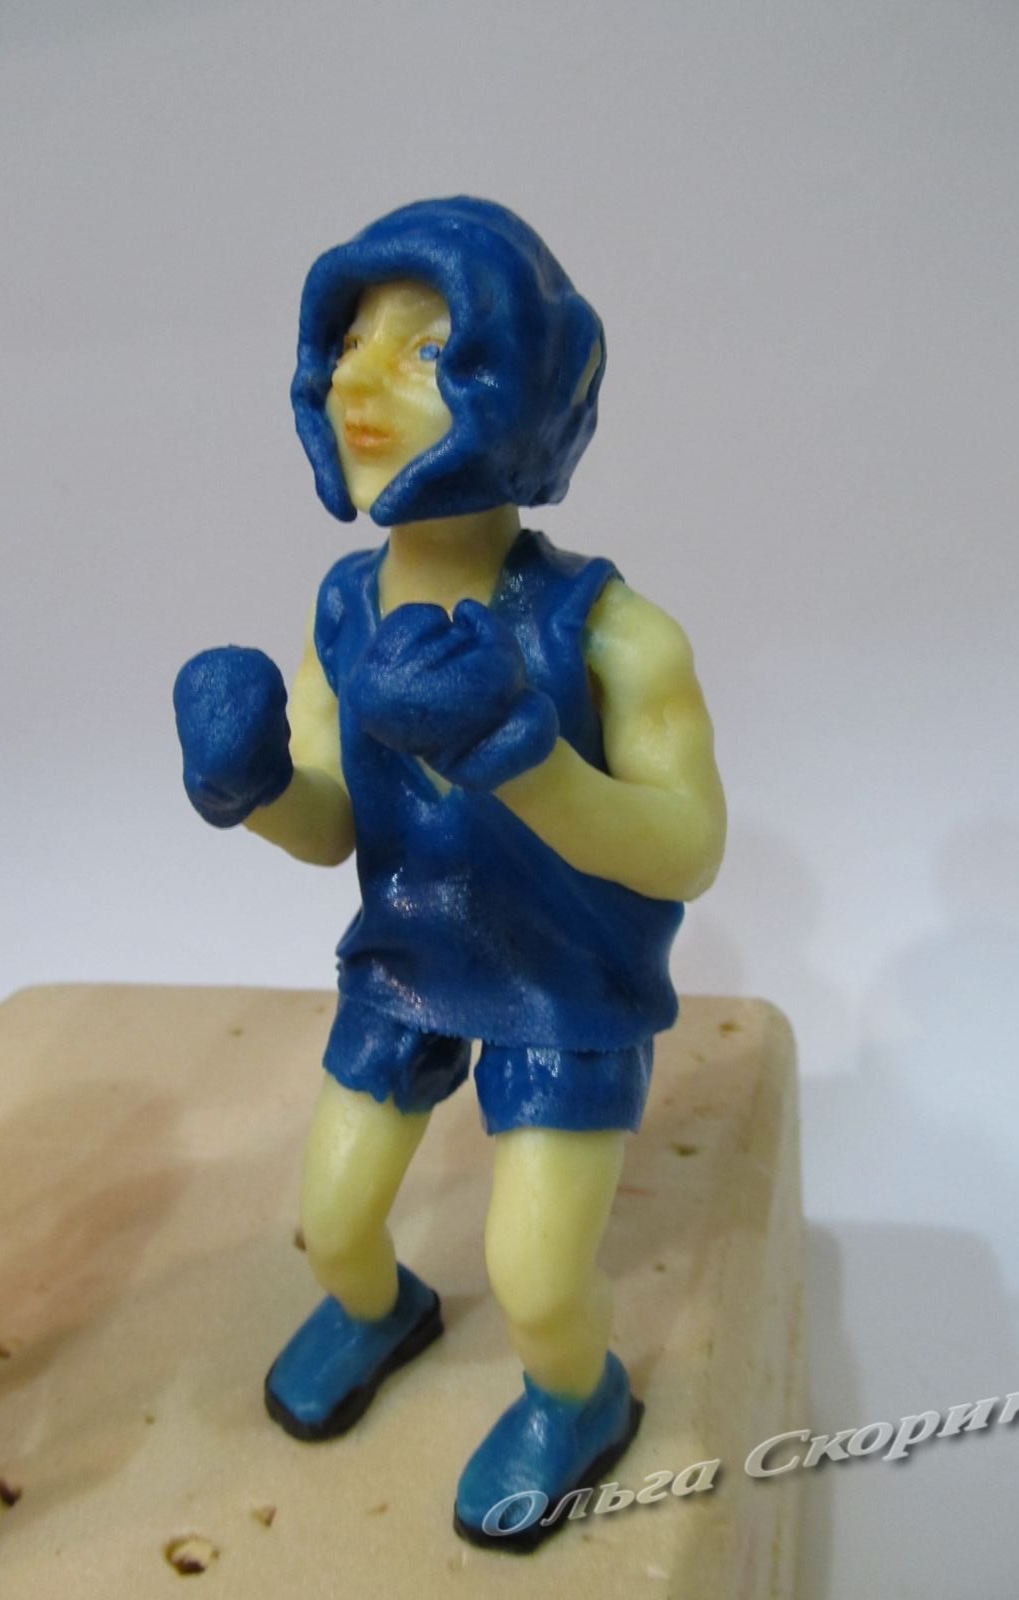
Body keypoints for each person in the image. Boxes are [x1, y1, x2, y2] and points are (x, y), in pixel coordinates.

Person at [173, 197, 726, 1549]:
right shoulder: (344, 608)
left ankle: (577, 1398)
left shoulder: (615, 634)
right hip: (408, 961)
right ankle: (381, 1314)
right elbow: (328, 821)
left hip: (563, 988)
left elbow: (691, 846)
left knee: (535, 1280)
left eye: (423, 351)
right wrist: (252, 787)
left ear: (522, 381)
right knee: (334, 1224)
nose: (360, 382)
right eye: (350, 343)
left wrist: (526, 760)